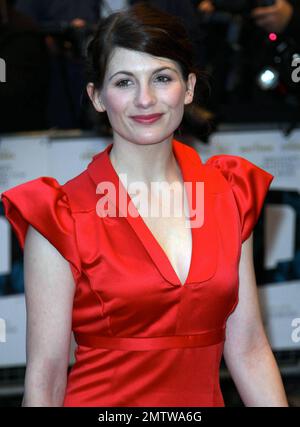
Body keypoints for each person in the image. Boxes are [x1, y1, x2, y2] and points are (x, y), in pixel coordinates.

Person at [0, 3, 289, 407]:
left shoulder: (229, 193)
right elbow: (46, 379)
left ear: (187, 88)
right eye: (123, 82)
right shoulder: (61, 215)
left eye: (162, 78)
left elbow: (249, 349)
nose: (145, 99)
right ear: (97, 97)